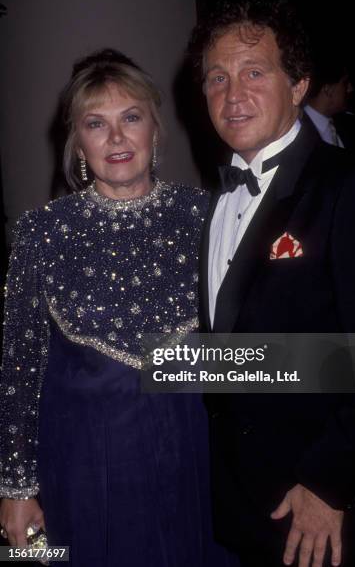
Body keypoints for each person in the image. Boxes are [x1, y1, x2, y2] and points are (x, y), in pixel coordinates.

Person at [0, 49, 234, 567]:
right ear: (77, 141)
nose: (117, 138)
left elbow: (241, 347)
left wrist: (353, 367)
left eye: (131, 118)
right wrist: (16, 488)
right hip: (81, 463)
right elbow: (19, 366)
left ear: (155, 128)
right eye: (95, 124)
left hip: (193, 453)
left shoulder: (208, 215)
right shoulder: (42, 232)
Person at [189, 0, 355, 567]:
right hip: (238, 508)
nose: (232, 95)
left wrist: (330, 484)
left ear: (299, 85)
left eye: (254, 72)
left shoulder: (353, 188)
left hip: (320, 515)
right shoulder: (213, 204)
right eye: (216, 77)